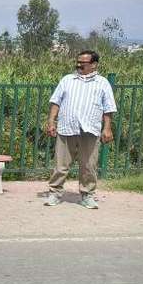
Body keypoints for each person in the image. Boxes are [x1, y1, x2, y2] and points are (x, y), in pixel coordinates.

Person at [44, 50, 116, 209]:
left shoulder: (102, 83)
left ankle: (87, 195)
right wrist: (51, 121)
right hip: (66, 128)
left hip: (90, 130)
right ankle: (54, 193)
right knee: (60, 165)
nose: (78, 65)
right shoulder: (67, 80)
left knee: (88, 165)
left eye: (82, 63)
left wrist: (107, 128)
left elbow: (108, 108)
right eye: (77, 62)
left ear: (93, 65)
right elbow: (56, 102)